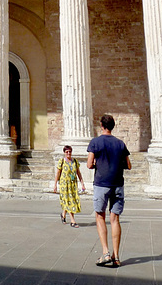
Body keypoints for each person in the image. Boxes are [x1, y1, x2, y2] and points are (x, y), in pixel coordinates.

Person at [87, 114, 131, 268]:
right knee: (115, 219)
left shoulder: (95, 142)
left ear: (101, 125)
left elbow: (89, 164)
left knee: (100, 216)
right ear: (113, 126)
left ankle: (105, 252)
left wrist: (97, 164)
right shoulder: (120, 143)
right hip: (118, 184)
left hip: (101, 183)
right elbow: (129, 165)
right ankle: (116, 256)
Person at [53, 145, 86, 227]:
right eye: (66, 152)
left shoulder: (74, 161)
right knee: (69, 201)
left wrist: (82, 183)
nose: (68, 153)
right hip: (64, 185)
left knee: (71, 200)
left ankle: (63, 214)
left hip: (73, 185)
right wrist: (55, 185)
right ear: (64, 153)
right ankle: (72, 221)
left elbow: (78, 173)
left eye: (70, 151)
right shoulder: (62, 161)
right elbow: (58, 173)